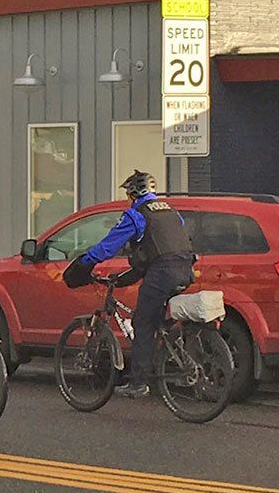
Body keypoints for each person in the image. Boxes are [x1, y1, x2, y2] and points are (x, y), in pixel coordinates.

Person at [62, 170, 195, 398]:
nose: (127, 199)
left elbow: (108, 247)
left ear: (135, 193)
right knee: (158, 319)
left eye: (128, 194)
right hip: (185, 268)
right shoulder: (171, 211)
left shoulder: (137, 214)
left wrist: (84, 262)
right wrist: (125, 278)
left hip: (162, 271)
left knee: (142, 321)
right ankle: (172, 354)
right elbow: (161, 247)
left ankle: (139, 383)